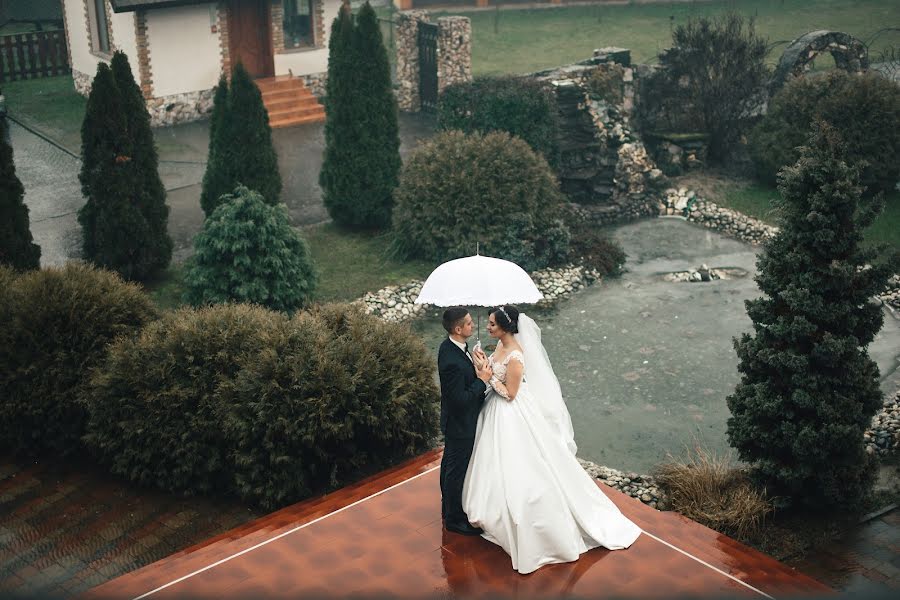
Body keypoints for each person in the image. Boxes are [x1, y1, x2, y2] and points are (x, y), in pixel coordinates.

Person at [462, 305, 642, 574]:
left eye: (491, 324)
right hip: (496, 412)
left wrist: (486, 379)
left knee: (523, 464)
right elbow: (493, 372)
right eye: (487, 323)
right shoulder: (500, 346)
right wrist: (482, 363)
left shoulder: (516, 355)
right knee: (492, 463)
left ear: (505, 327)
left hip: (512, 412)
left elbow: (510, 393)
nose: (487, 328)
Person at [438, 307, 493, 536]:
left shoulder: (453, 346)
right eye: (469, 324)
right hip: (460, 424)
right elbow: (459, 400)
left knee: (449, 465)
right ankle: (454, 520)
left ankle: (447, 508)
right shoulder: (451, 360)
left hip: (456, 422)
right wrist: (482, 380)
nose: (473, 326)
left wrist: (475, 363)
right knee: (455, 471)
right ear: (458, 329)